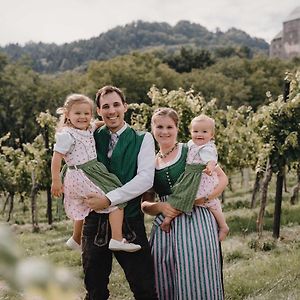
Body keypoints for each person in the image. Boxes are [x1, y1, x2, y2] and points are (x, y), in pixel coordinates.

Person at [141, 107, 228, 300]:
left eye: (169, 127)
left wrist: (203, 199)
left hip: (197, 219)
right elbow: (145, 204)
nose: (164, 131)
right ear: (152, 129)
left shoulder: (191, 150)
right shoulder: (150, 163)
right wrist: (161, 207)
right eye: (159, 126)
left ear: (177, 128)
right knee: (165, 276)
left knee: (198, 275)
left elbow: (222, 179)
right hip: (166, 226)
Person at [82, 86, 158, 300]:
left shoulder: (143, 139)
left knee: (144, 289)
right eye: (105, 106)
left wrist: (108, 199)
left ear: (125, 106)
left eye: (116, 104)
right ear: (98, 110)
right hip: (94, 224)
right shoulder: (90, 137)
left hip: (130, 223)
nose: (111, 110)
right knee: (95, 291)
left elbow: (145, 179)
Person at [51, 93, 141, 253]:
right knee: (115, 196)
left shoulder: (87, 128)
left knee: (82, 206)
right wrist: (55, 180)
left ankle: (75, 238)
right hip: (85, 172)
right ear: (67, 115)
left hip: (76, 175)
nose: (83, 117)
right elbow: (56, 158)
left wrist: (109, 122)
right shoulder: (66, 135)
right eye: (77, 113)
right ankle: (117, 239)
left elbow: (97, 124)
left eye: (87, 113)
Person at [160, 114, 229, 241]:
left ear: (211, 135)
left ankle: (223, 225)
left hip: (201, 178)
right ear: (190, 132)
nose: (199, 134)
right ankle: (168, 219)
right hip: (189, 178)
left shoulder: (207, 147)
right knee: (181, 197)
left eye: (204, 131)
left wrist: (210, 167)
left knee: (210, 202)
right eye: (195, 131)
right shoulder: (191, 144)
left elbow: (211, 160)